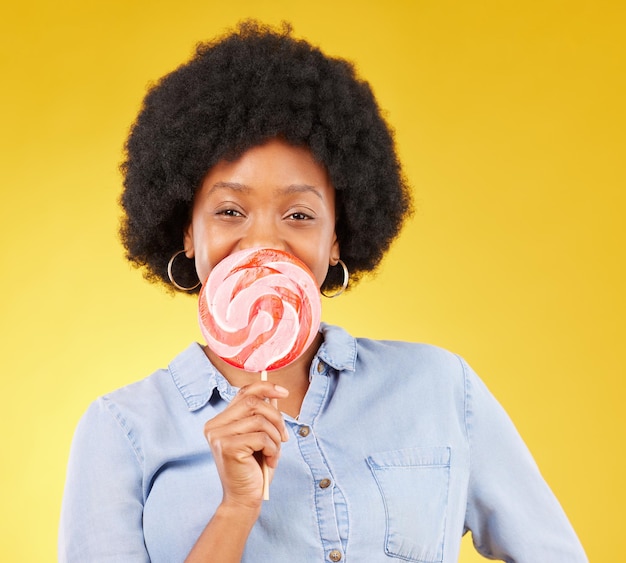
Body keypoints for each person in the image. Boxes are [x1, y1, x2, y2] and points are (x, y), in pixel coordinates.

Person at [59, 21, 587, 563]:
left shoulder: (439, 388)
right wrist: (236, 508)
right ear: (187, 232)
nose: (263, 238)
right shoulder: (120, 432)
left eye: (299, 214)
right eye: (229, 210)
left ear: (337, 237)